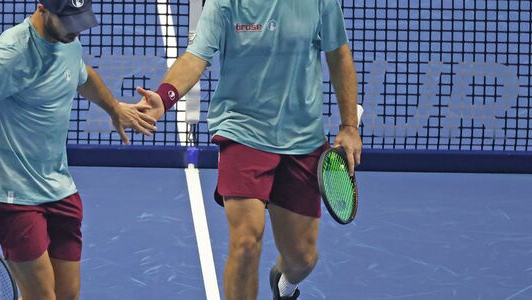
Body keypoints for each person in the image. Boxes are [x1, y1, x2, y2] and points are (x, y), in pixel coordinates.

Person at [0, 1, 157, 299]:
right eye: (68, 21)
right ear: (43, 8)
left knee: (67, 295)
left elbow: (81, 74)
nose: (76, 30)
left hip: (58, 185)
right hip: (12, 194)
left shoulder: (68, 40)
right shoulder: (9, 55)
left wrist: (114, 108)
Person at [135, 0, 362, 299]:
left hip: (302, 137)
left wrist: (349, 126)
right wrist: (164, 98)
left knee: (302, 258)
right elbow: (195, 57)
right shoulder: (225, 3)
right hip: (241, 129)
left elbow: (339, 54)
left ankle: (284, 283)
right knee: (245, 242)